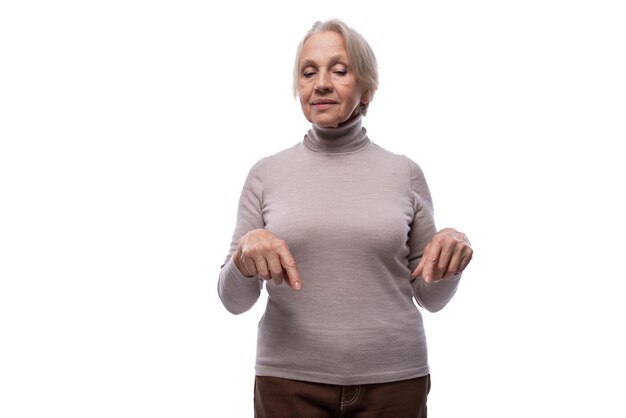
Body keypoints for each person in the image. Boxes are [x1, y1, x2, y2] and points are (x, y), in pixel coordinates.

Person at [218, 18, 473, 418]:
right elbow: (234, 301)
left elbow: (431, 298)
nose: (321, 83)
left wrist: (450, 262)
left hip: (394, 383)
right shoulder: (266, 174)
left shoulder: (404, 173)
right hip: (289, 384)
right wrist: (242, 260)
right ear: (298, 88)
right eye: (308, 72)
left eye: (339, 70)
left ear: (366, 89)